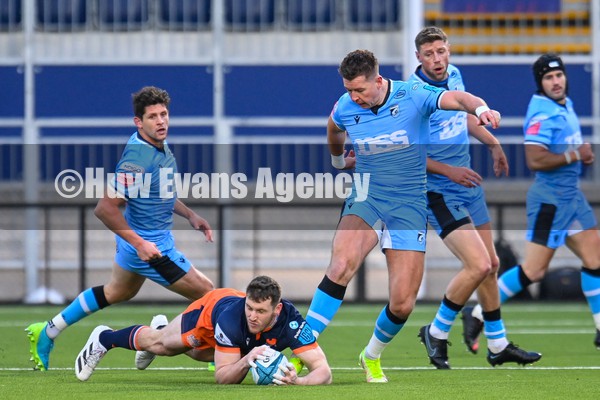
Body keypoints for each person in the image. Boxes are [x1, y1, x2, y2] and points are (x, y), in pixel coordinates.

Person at [303, 49, 501, 383]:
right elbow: (334, 128)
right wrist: (338, 162)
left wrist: (481, 108)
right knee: (340, 265)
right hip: (367, 194)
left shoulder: (414, 95)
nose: (354, 97)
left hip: (409, 202)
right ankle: (301, 348)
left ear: (378, 81)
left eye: (360, 90)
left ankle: (371, 355)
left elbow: (459, 98)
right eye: (349, 89)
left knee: (402, 305)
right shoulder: (346, 105)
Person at [26, 86, 215, 371]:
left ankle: (48, 330)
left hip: (138, 244)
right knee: (208, 294)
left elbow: (158, 192)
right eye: (152, 117)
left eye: (164, 114)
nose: (161, 121)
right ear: (138, 122)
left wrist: (189, 215)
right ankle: (194, 347)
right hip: (151, 248)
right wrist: (140, 244)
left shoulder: (157, 146)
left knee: (117, 292)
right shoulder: (137, 160)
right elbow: (104, 208)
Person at [410, 27, 541, 369]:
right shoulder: (413, 95)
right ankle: (436, 331)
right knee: (479, 265)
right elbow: (408, 154)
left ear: (448, 50)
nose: (437, 59)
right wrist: (448, 171)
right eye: (429, 54)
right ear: (418, 58)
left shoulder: (454, 75)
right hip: (438, 190)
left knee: (493, 265)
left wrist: (494, 144)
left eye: (441, 51)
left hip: (468, 186)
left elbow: (464, 116)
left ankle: (497, 344)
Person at [463, 53, 600, 350]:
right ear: (540, 82)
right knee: (534, 271)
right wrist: (577, 155)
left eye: (559, 75)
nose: (555, 81)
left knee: (595, 259)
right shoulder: (542, 112)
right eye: (549, 78)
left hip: (572, 197)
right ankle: (475, 313)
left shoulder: (564, 104)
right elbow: (534, 158)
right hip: (551, 202)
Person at [74, 275, 332, 385]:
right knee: (162, 345)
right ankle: (104, 338)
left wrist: (299, 381)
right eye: (250, 307)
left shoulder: (292, 322)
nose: (253, 316)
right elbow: (222, 377)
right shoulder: (233, 318)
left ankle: (163, 326)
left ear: (276, 311)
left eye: (261, 311)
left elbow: (323, 371)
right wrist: (244, 362)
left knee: (200, 354)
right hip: (211, 312)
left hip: (240, 341)